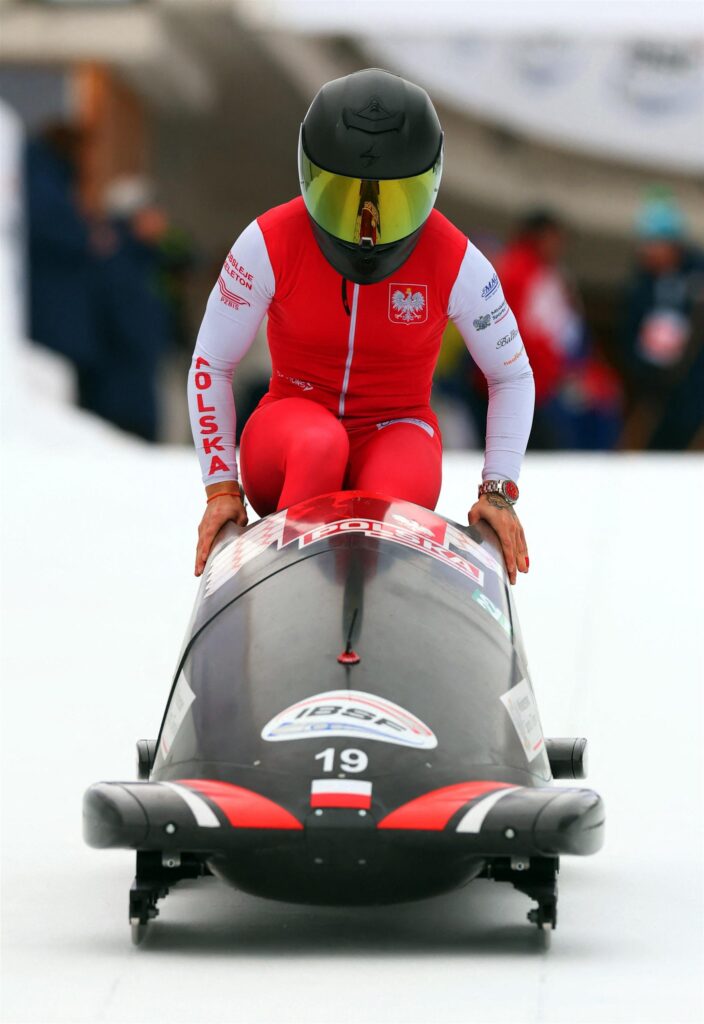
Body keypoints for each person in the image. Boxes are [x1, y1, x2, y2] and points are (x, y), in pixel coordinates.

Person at [188, 69, 535, 582]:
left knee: (388, 488)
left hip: (399, 428)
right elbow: (211, 363)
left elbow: (512, 374)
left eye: (392, 202)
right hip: (291, 432)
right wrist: (221, 488)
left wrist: (499, 491)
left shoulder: (456, 260)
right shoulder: (269, 241)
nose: (367, 226)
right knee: (320, 443)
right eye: (343, 197)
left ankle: (361, 596)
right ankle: (292, 589)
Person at [620, 192, 704, 450]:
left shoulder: (697, 274)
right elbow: (628, 334)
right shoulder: (640, 285)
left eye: (655, 243)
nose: (648, 251)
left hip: (694, 386)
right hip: (654, 391)